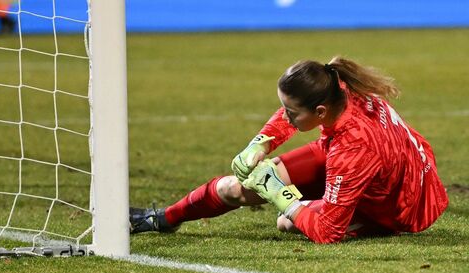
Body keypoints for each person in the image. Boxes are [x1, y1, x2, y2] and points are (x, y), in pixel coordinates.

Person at [130, 56, 449, 243]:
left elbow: (328, 232)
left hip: (402, 203)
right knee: (235, 188)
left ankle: (367, 217)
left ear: (321, 112)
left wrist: (280, 194)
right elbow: (293, 115)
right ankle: (162, 218)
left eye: (292, 113)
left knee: (289, 221)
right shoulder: (337, 84)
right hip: (382, 164)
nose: (286, 116)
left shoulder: (354, 147)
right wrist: (260, 143)